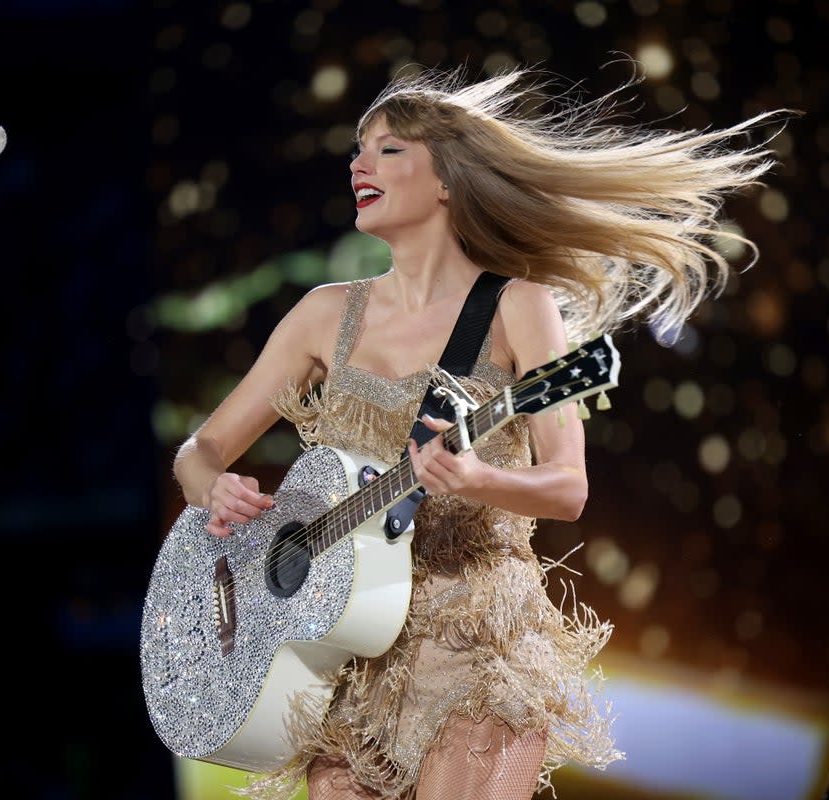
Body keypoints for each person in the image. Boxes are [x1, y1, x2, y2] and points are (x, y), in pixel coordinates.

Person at [172, 66, 787, 800]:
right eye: (357, 151)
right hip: (342, 655)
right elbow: (199, 449)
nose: (358, 165)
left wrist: (480, 479)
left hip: (473, 646)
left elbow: (568, 487)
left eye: (388, 150)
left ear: (447, 181)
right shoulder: (321, 315)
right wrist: (214, 485)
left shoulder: (519, 309)